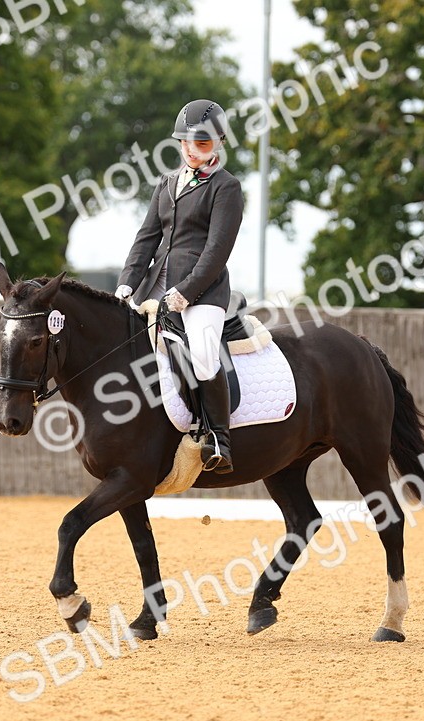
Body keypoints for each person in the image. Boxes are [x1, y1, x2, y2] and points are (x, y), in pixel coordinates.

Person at [116, 99, 244, 474]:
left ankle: (219, 438)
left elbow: (217, 250)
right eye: (186, 142)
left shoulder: (226, 187)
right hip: (156, 284)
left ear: (218, 142)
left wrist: (187, 291)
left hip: (204, 291)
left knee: (203, 353)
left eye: (201, 143)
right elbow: (146, 239)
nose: (191, 149)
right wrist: (127, 283)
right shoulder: (167, 183)